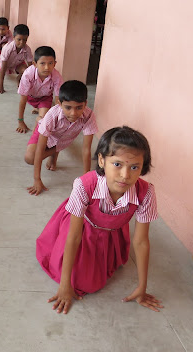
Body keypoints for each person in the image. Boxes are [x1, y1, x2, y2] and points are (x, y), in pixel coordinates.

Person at [35, 126, 161, 315]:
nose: (125, 175)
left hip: (111, 230)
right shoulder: (84, 184)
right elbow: (74, 236)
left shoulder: (147, 192)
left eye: (134, 167)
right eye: (117, 164)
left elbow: (141, 241)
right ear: (101, 160)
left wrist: (142, 287)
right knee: (80, 280)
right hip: (80, 226)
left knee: (92, 280)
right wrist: (65, 284)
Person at [25, 80, 97, 195]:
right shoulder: (53, 114)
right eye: (68, 107)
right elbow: (40, 148)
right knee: (30, 158)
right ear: (59, 103)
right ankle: (40, 120)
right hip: (45, 133)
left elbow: (86, 149)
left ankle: (55, 149)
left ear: (86, 103)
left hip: (64, 138)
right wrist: (37, 179)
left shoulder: (89, 115)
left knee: (57, 141)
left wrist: (86, 180)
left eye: (79, 107)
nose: (73, 113)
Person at [16, 46, 62, 133]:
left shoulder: (57, 77)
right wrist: (20, 121)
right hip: (30, 97)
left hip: (45, 98)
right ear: (34, 64)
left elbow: (57, 100)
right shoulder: (28, 74)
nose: (47, 67)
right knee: (38, 110)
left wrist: (57, 122)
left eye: (50, 63)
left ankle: (35, 135)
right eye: (42, 63)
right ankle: (37, 107)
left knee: (42, 120)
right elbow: (23, 99)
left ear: (55, 64)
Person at [0, 24, 33, 94]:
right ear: (14, 37)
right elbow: (3, 67)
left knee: (26, 70)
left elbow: (31, 68)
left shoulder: (27, 49)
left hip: (17, 64)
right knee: (0, 71)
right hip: (5, 64)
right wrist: (0, 86)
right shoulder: (8, 48)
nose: (22, 42)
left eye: (25, 40)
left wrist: (32, 86)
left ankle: (18, 78)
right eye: (19, 39)